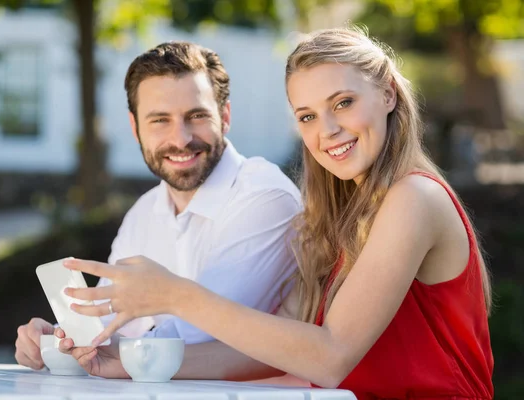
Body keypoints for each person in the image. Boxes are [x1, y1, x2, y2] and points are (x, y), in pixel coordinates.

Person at [61, 27, 494, 399]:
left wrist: (175, 295)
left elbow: (330, 356)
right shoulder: (339, 221)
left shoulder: (414, 197)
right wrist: (121, 362)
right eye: (307, 116)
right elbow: (260, 350)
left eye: (343, 102)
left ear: (387, 93)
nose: (327, 130)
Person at [14, 41, 302, 371]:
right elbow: (108, 331)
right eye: (160, 120)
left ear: (224, 117)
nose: (180, 139)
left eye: (196, 116)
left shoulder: (263, 197)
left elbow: (200, 338)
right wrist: (59, 342)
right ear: (136, 128)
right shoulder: (144, 212)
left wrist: (104, 351)